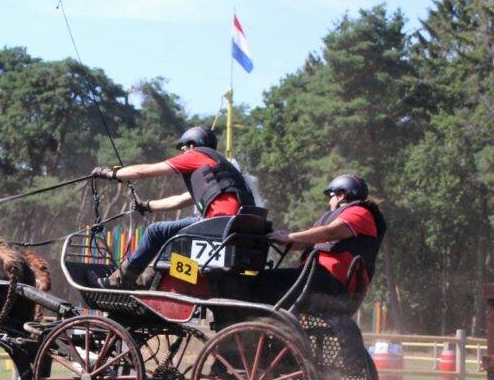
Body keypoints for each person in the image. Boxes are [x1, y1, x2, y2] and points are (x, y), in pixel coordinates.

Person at [90, 126, 256, 288]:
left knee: (155, 232)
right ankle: (149, 281)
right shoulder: (221, 167)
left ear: (192, 145)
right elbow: (180, 200)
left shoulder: (195, 155)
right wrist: (148, 205)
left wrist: (112, 174)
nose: (183, 153)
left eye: (183, 149)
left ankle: (119, 281)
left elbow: (144, 171)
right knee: (168, 239)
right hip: (232, 229)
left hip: (218, 228)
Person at [261, 174, 386, 305]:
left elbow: (331, 232)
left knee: (259, 281)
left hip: (331, 282)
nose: (329, 202)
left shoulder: (360, 212)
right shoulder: (338, 216)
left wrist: (289, 237)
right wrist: (275, 237)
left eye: (331, 196)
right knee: (265, 280)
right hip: (320, 277)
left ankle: (254, 323)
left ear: (341, 195)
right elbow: (299, 244)